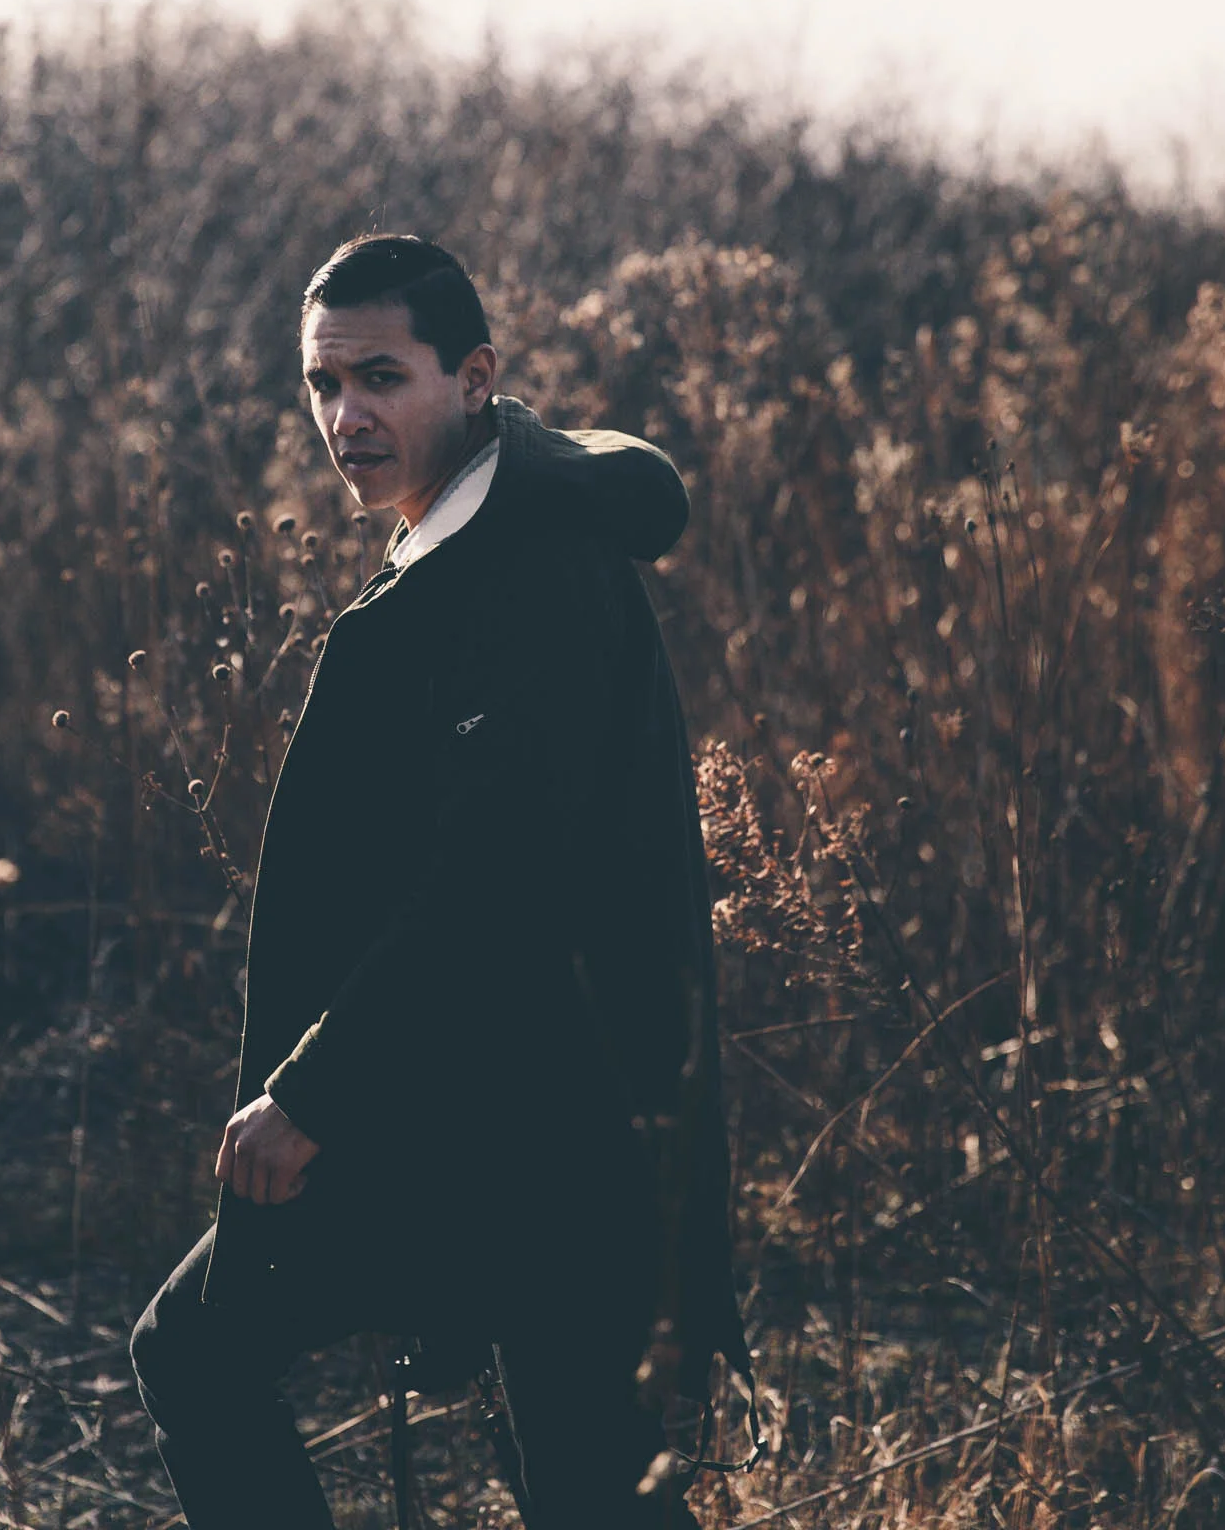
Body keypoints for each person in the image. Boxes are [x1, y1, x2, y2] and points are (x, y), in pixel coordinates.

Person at [130, 234, 747, 1528]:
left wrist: (312, 1091)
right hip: (464, 1107)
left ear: (473, 380)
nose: (345, 418)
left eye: (381, 378)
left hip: (561, 1135)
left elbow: (499, 886)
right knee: (206, 1353)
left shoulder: (538, 572)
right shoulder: (452, 549)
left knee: (582, 1484)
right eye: (323, 384)